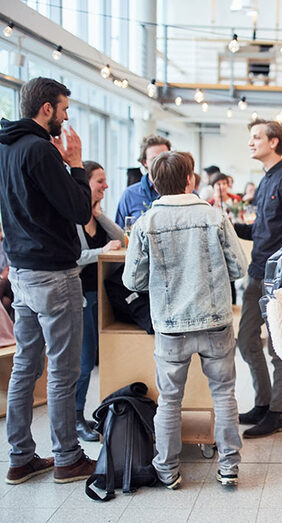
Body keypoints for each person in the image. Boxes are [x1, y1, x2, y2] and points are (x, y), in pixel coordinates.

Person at [123, 151, 247, 489]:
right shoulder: (214, 216)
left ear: (154, 183)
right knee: (223, 395)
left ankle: (167, 469)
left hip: (170, 325)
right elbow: (239, 267)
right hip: (215, 322)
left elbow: (131, 281)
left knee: (169, 401)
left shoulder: (146, 223)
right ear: (190, 180)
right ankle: (229, 468)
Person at [0, 77, 96, 484]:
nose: (66, 115)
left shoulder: (6, 147)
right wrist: (75, 164)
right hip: (53, 275)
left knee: (25, 366)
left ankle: (20, 457)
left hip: (21, 273)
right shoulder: (41, 150)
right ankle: (67, 457)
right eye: (63, 108)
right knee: (62, 370)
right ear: (46, 110)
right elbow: (78, 209)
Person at [233, 118, 282, 438]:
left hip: (277, 277)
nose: (251, 142)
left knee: (279, 347)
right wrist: (227, 224)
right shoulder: (264, 181)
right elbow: (261, 230)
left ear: (274, 142)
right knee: (246, 340)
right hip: (255, 272)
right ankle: (263, 402)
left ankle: (277, 412)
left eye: (256, 137)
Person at [73, 161, 124, 442]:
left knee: (94, 357)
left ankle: (88, 413)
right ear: (86, 184)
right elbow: (74, 258)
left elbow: (120, 237)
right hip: (79, 296)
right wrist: (100, 252)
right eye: (99, 181)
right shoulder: (72, 219)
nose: (105, 186)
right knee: (83, 362)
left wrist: (97, 214)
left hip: (100, 296)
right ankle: (76, 418)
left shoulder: (93, 215)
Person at [114, 135, 172, 226]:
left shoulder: (186, 193)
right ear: (145, 162)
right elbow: (119, 232)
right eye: (155, 159)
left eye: (165, 158)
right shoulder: (130, 195)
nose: (161, 164)